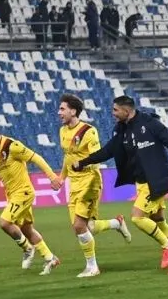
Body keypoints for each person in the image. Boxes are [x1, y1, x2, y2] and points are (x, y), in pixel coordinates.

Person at [73, 96, 168, 275]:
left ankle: (167, 245)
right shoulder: (121, 130)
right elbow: (107, 151)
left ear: (126, 110)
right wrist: (84, 162)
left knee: (137, 217)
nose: (113, 113)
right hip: (141, 182)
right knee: (159, 222)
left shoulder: (150, 124)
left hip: (156, 181)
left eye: (116, 110)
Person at [56, 94, 130, 278]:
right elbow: (67, 156)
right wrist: (61, 177)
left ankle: (92, 267)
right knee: (86, 227)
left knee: (79, 226)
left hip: (89, 182)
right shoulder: (62, 131)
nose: (59, 112)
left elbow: (97, 157)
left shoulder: (88, 131)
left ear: (73, 111)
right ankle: (117, 223)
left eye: (62, 109)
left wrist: (82, 164)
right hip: (74, 184)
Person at [0, 124, 62, 275]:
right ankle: (50, 258)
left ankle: (27, 248)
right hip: (12, 195)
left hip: (23, 193)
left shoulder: (13, 146)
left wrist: (52, 177)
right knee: (27, 229)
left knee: (4, 222)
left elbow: (36, 158)